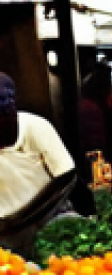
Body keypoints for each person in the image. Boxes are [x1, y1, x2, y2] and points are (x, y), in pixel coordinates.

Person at [0, 72, 77, 255]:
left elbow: (66, 176)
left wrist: (23, 217)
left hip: (50, 225)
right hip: (6, 237)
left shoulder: (36, 127)